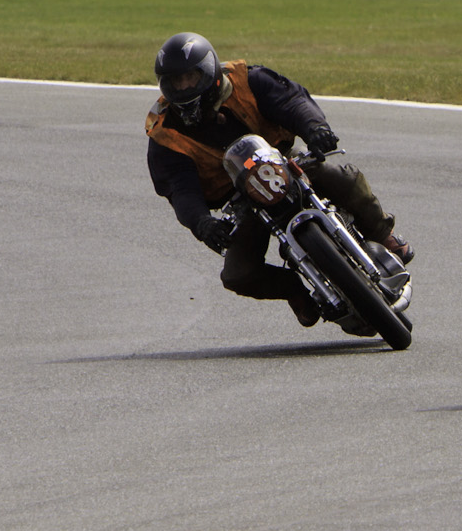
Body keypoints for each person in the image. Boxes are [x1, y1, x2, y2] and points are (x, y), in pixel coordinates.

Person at [145, 32, 413, 327]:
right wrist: (201, 222)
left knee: (338, 176)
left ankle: (382, 233)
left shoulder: (249, 80)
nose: (184, 86)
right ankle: (295, 292)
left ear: (209, 72)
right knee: (237, 274)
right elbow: (180, 190)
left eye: (191, 77)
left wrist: (316, 129)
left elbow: (293, 101)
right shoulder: (164, 134)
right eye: (176, 82)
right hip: (241, 199)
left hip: (285, 161)